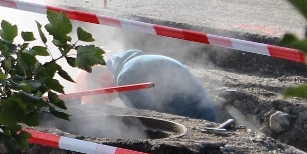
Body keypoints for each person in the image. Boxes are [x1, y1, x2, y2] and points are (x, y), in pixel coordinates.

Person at [86, 49, 220, 122]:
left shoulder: (126, 77)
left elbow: (148, 121)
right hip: (204, 114)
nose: (112, 98)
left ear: (103, 77)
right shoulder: (133, 64)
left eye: (106, 96)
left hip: (197, 119)